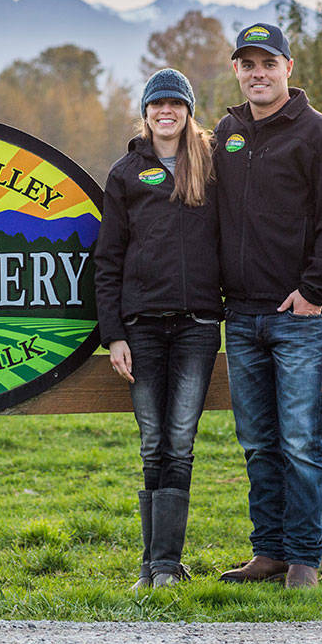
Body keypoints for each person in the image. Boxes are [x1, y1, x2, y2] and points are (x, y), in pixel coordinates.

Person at [213, 23, 322, 589]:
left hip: (297, 315)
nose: (258, 74)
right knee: (257, 442)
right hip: (241, 315)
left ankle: (304, 558)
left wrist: (314, 293)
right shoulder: (227, 133)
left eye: (268, 63)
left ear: (288, 69)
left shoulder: (320, 136)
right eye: (247, 64)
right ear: (237, 72)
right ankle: (268, 551)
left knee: (300, 442)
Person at [94, 68, 223, 590]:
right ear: (145, 113)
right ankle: (152, 566)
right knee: (152, 442)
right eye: (156, 104)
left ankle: (166, 564)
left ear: (188, 111)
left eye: (175, 104)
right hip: (142, 326)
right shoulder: (126, 173)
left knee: (180, 440)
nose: (165, 112)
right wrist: (114, 334)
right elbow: (108, 259)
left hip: (196, 325)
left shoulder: (214, 167)